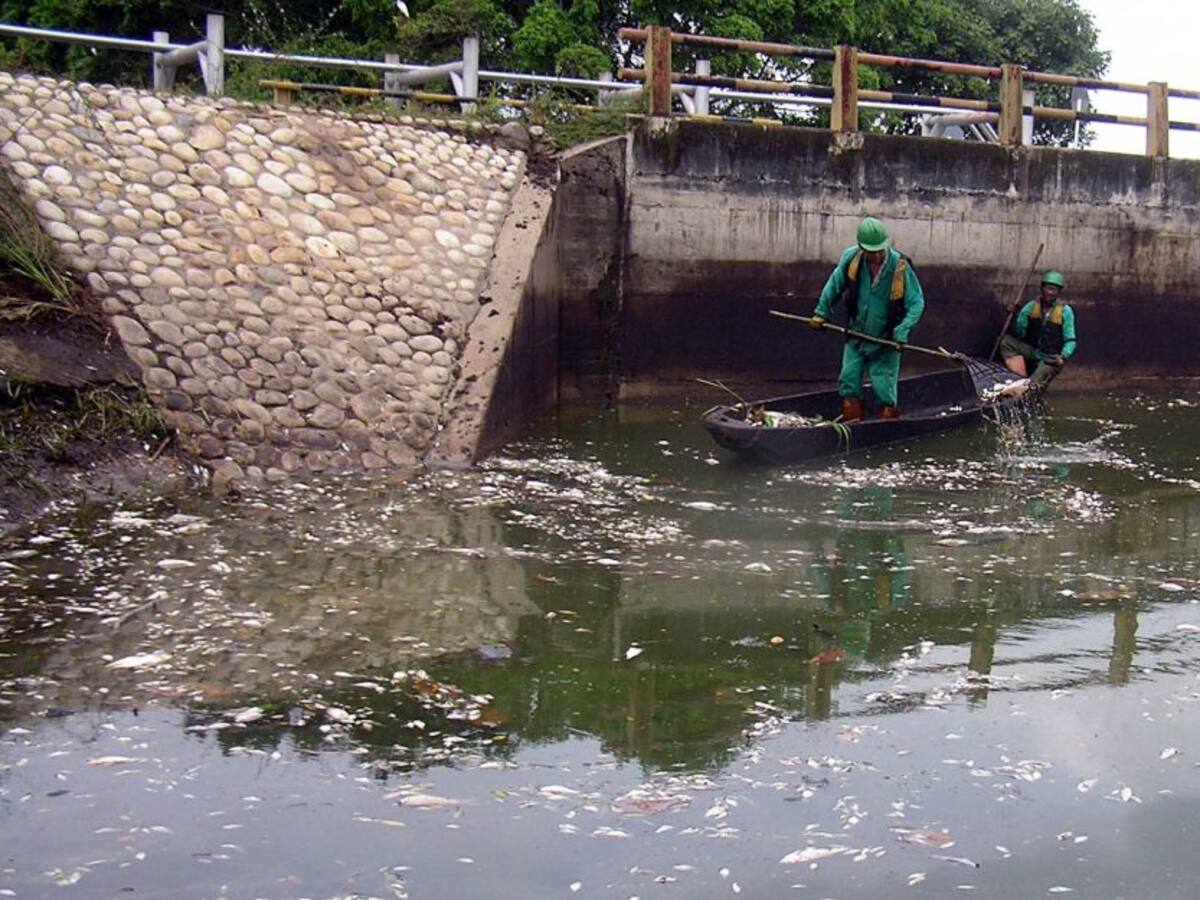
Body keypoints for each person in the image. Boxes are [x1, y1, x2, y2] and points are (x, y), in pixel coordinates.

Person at [809, 217, 925, 421]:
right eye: (872, 251)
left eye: (880, 250)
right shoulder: (852, 258)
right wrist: (821, 311)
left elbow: (916, 302)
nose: (877, 255)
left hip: (886, 340)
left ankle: (887, 426)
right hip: (856, 335)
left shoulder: (900, 267)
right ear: (862, 248)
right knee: (848, 380)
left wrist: (903, 330)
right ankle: (852, 425)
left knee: (884, 388)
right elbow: (834, 285)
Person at [999, 269, 1077, 391]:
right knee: (1006, 341)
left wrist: (1063, 355)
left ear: (1059, 292)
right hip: (1035, 352)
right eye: (1048, 288)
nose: (1050, 292)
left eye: (1054, 289)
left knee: (1032, 387)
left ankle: (1027, 390)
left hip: (1051, 359)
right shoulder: (1031, 306)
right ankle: (1019, 379)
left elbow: (1071, 340)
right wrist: (1015, 315)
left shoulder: (1065, 311)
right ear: (1042, 288)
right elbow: (1019, 333)